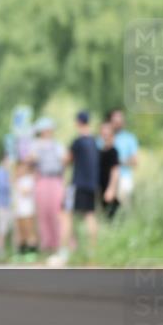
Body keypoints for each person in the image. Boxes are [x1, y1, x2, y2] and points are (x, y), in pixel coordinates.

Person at [54, 111, 101, 264]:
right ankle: (92, 251)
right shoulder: (94, 142)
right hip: (91, 185)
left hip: (78, 184)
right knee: (90, 215)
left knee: (65, 215)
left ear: (78, 122)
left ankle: (63, 253)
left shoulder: (77, 141)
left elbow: (66, 160)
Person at [30, 117, 66, 253]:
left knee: (57, 212)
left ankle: (60, 243)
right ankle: (47, 244)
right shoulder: (36, 145)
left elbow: (63, 161)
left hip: (56, 179)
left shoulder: (57, 145)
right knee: (43, 213)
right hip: (42, 179)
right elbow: (32, 160)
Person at [106, 109, 139, 206]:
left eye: (119, 121)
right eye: (115, 121)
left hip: (124, 178)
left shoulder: (129, 138)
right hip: (107, 179)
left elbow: (135, 161)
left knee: (124, 208)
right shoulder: (104, 137)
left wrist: (116, 161)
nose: (117, 124)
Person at [13, 160, 39, 261]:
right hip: (18, 210)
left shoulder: (29, 179)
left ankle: (32, 252)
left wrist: (16, 184)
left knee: (29, 231)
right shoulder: (17, 180)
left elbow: (26, 192)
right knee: (21, 232)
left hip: (28, 210)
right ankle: (21, 253)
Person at [0, 151, 14, 259]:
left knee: (12, 229)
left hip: (11, 205)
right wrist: (13, 182)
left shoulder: (10, 172)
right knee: (1, 229)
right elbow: (2, 186)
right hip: (1, 205)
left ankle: (13, 251)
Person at [97, 121, 121, 221]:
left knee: (112, 215)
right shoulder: (102, 150)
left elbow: (115, 171)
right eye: (103, 132)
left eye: (107, 133)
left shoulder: (113, 151)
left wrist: (111, 189)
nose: (105, 135)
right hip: (101, 186)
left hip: (109, 187)